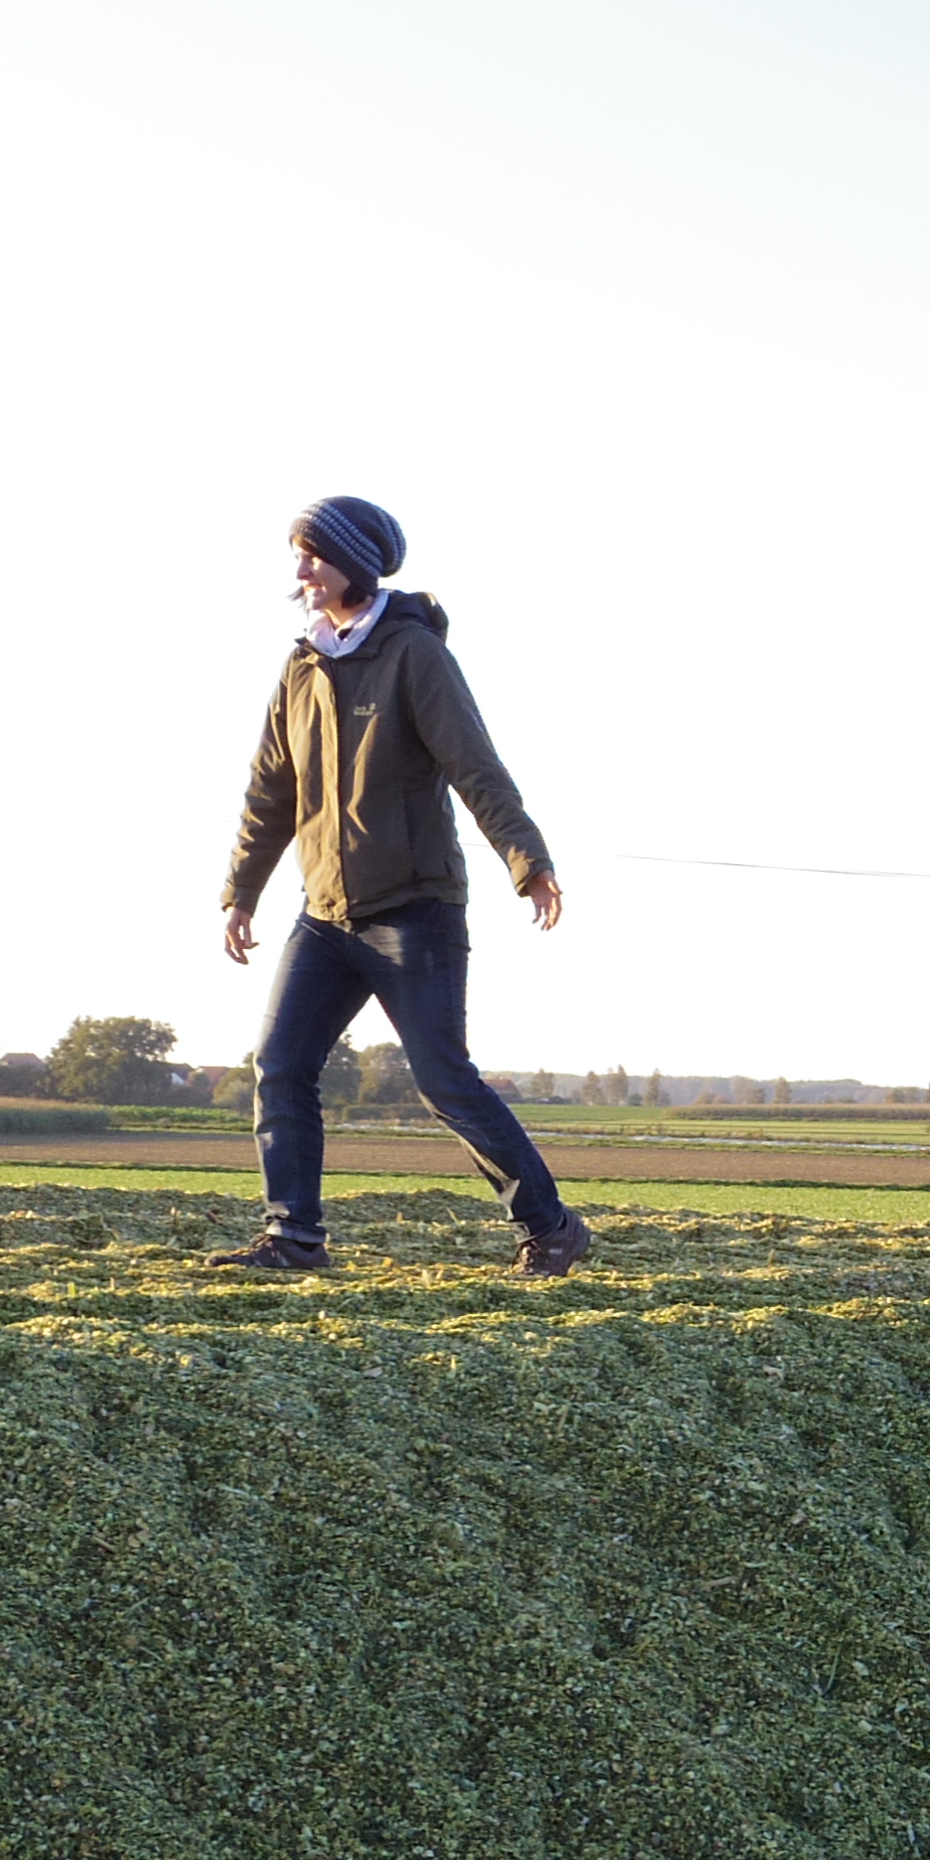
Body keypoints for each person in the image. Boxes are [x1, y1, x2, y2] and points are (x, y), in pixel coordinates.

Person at [211, 496, 595, 1278]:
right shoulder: (301, 665)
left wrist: (528, 860)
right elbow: (269, 792)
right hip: (322, 916)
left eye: (313, 554)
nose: (301, 570)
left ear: (355, 560)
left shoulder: (415, 656)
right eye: (298, 555)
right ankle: (294, 1238)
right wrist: (241, 892)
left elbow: (474, 765)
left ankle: (551, 1227)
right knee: (280, 1066)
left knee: (442, 1079)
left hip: (412, 910)